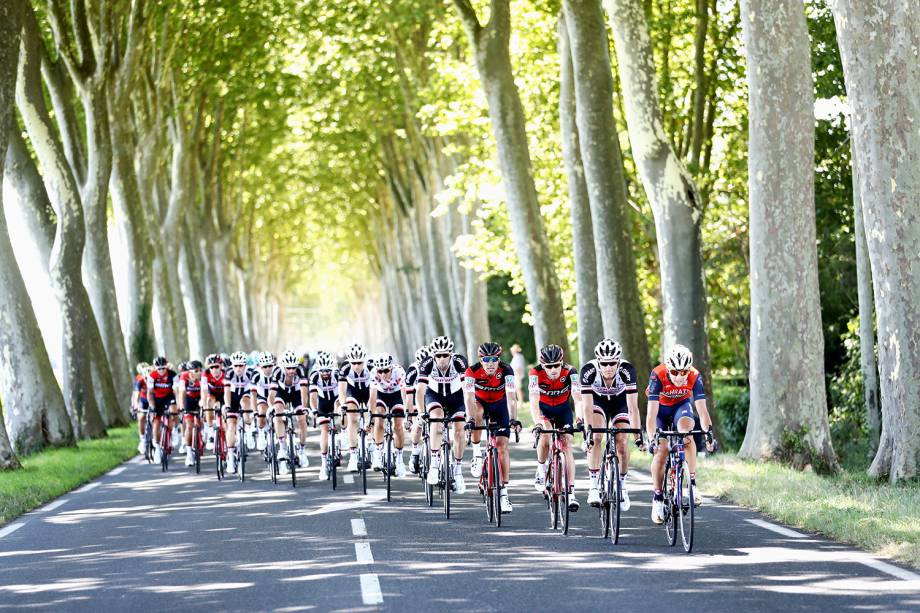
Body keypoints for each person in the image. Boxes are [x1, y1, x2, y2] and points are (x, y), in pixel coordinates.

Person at [646, 344, 715, 524]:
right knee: (661, 451)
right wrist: (652, 438)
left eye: (683, 372)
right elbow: (651, 414)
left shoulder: (694, 376)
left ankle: (692, 484)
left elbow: (702, 410)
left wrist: (709, 434)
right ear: (668, 369)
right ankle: (658, 498)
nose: (679, 376)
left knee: (687, 434)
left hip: (680, 408)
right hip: (660, 411)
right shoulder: (657, 374)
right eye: (675, 372)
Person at [579, 339, 642, 509]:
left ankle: (622, 486)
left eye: (612, 363)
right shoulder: (588, 370)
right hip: (598, 401)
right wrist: (588, 433)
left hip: (620, 402)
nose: (608, 367)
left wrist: (638, 436)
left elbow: (633, 407)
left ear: (618, 361)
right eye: (604, 363)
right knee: (597, 437)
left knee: (622, 443)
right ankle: (593, 486)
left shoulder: (627, 370)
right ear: (598, 362)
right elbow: (586, 406)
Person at [463, 342, 520, 513]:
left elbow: (511, 397)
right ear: (480, 360)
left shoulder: (506, 370)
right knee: (477, 413)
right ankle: (477, 453)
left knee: (502, 447)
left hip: (499, 405)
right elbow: (469, 397)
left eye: (494, 360)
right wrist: (470, 419)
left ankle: (504, 494)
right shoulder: (471, 371)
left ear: (499, 359)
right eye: (486, 359)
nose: (490, 363)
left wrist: (513, 419)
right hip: (479, 404)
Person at [529, 344, 580, 512]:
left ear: (562, 363)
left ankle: (571, 492)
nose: (553, 370)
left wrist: (579, 418)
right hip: (544, 410)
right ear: (542, 365)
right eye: (549, 366)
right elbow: (534, 399)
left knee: (567, 444)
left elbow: (577, 397)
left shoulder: (571, 372)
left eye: (556, 365)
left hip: (563, 410)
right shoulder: (534, 373)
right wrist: (537, 421)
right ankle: (541, 469)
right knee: (545, 436)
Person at [416, 336, 469, 494]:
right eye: (438, 355)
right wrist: (420, 412)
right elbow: (419, 390)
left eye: (445, 355)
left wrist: (470, 412)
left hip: (456, 397)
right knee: (436, 420)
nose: (442, 359)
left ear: (451, 354)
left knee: (459, 430)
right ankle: (434, 463)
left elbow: (466, 388)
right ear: (433, 355)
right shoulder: (426, 363)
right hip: (435, 396)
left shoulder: (459, 361)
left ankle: (458, 472)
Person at [367, 352, 409, 477]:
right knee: (379, 420)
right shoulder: (373, 373)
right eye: (380, 371)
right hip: (382, 396)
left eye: (386, 371)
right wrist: (371, 415)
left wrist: (407, 412)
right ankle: (378, 454)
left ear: (391, 368)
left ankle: (400, 460)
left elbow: (404, 393)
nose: (383, 374)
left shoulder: (399, 371)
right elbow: (373, 396)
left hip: (396, 396)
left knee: (398, 426)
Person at [268, 350, 310, 470]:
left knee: (302, 419)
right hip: (282, 393)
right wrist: (272, 408)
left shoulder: (301, 370)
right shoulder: (277, 371)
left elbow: (304, 392)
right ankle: (282, 447)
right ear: (283, 367)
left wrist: (304, 408)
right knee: (278, 413)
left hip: (296, 394)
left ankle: (302, 450)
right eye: (288, 368)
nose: (291, 371)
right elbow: (271, 394)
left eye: (293, 368)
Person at [338, 343, 374, 472]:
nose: (357, 366)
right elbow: (342, 391)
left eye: (360, 363)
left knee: (374, 415)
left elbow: (375, 391)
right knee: (352, 419)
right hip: (353, 392)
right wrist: (343, 405)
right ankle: (353, 456)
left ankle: (375, 448)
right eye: (354, 363)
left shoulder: (371, 366)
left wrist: (371, 409)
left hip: (369, 391)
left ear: (364, 360)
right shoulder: (345, 367)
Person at [309, 351, 340, 479]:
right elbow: (313, 396)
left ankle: (343, 434)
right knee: (324, 429)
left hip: (336, 400)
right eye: (322, 371)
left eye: (328, 371)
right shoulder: (314, 376)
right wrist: (315, 409)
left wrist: (341, 409)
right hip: (322, 403)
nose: (325, 373)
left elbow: (344, 393)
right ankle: (323, 464)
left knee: (342, 409)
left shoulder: (337, 375)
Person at [224, 351, 255, 474]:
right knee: (231, 425)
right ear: (232, 365)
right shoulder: (229, 373)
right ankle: (231, 457)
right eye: (235, 365)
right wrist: (227, 405)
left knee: (245, 400)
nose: (238, 368)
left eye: (241, 365)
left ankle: (248, 428)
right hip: (233, 397)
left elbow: (254, 392)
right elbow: (226, 392)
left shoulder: (251, 373)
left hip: (246, 395)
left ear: (245, 365)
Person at [146, 356, 178, 463]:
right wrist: (152, 407)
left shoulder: (173, 375)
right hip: (157, 399)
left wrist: (179, 405)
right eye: (159, 368)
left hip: (169, 398)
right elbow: (150, 393)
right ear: (155, 368)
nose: (161, 371)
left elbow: (177, 391)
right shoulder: (152, 376)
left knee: (173, 410)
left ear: (166, 367)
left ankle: (174, 430)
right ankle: (158, 449)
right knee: (156, 424)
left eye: (163, 368)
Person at [405, 345, 430, 474]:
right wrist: (409, 417)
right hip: (417, 399)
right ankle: (415, 453)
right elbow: (409, 397)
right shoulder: (412, 371)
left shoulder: (436, 367)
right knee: (418, 424)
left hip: (433, 397)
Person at [177, 360, 203, 466]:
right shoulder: (184, 376)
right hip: (189, 399)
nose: (199, 372)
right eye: (196, 371)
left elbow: (206, 392)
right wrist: (181, 406)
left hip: (200, 397)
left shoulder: (203, 377)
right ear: (190, 372)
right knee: (189, 425)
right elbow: (182, 392)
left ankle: (202, 437)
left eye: (200, 370)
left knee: (200, 422)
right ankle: (189, 454)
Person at [132, 362, 151, 453]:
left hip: (154, 400)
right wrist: (135, 405)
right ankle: (142, 439)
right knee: (141, 417)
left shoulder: (155, 379)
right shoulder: (139, 380)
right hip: (144, 400)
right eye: (146, 378)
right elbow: (136, 394)